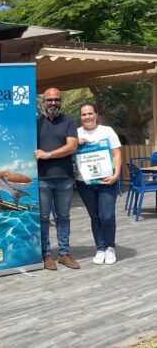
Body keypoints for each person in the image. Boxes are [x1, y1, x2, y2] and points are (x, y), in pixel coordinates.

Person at [35, 87, 79, 270]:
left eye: (56, 100)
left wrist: (48, 155)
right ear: (43, 102)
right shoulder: (34, 123)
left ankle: (64, 254)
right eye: (49, 100)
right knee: (44, 218)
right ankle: (46, 254)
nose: (53, 103)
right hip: (42, 178)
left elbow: (72, 147)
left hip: (64, 177)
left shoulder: (68, 121)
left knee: (63, 216)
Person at [76, 103, 121, 265]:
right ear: (80, 117)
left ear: (96, 114)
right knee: (95, 217)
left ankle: (110, 247)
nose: (87, 117)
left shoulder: (107, 131)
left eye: (90, 113)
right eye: (83, 114)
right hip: (84, 182)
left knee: (107, 216)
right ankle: (100, 248)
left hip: (107, 180)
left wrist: (116, 175)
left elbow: (116, 154)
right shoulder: (75, 134)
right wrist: (76, 144)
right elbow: (69, 155)